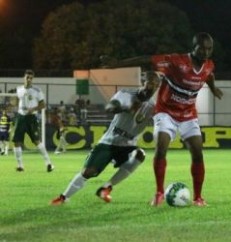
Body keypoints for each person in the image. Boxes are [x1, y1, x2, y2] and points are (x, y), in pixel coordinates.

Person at [102, 32, 223, 206]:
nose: (205, 52)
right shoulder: (176, 61)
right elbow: (147, 59)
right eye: (202, 48)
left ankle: (198, 198)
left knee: (198, 152)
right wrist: (118, 64)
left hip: (188, 114)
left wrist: (213, 88)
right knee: (161, 147)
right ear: (193, 47)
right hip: (166, 112)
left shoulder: (209, 65)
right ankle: (159, 193)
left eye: (209, 49)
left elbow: (208, 75)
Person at [51, 71, 160, 205]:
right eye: (150, 83)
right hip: (110, 140)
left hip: (128, 144)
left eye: (155, 85)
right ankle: (63, 197)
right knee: (88, 172)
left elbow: (163, 119)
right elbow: (109, 107)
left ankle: (106, 188)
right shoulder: (125, 94)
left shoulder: (153, 107)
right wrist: (126, 107)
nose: (151, 87)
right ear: (143, 82)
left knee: (139, 154)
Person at [12, 69, 54, 172]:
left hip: (32, 118)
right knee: (16, 142)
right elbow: (17, 101)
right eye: (27, 77)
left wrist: (33, 109)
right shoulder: (19, 89)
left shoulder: (37, 91)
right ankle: (20, 165)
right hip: (21, 117)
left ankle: (49, 163)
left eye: (31, 78)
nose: (29, 79)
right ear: (24, 78)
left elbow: (43, 104)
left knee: (36, 141)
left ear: (33, 79)